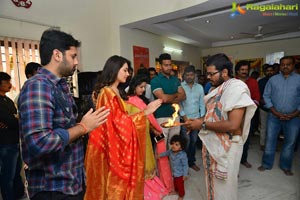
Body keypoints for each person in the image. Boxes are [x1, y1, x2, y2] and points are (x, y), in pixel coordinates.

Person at [18, 29, 110, 199]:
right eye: (73, 56)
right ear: (57, 55)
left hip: (70, 183)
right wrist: (83, 127)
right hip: (52, 188)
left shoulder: (60, 86)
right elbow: (40, 142)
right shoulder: (38, 86)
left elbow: (66, 130)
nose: (77, 62)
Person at [84, 55, 162, 200]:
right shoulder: (107, 93)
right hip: (111, 149)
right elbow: (115, 124)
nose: (128, 74)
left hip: (118, 145)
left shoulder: (115, 92)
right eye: (125, 70)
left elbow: (120, 120)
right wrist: (145, 113)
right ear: (114, 70)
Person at [185, 53, 256, 200]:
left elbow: (233, 124)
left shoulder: (236, 88)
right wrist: (195, 123)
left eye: (212, 74)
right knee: (213, 184)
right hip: (212, 144)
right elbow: (211, 116)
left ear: (224, 72)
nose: (208, 77)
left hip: (229, 146)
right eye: (207, 74)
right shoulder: (214, 90)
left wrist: (202, 125)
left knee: (225, 189)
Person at [127, 74, 169, 199]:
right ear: (133, 86)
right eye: (141, 87)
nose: (143, 90)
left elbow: (147, 118)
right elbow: (128, 121)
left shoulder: (143, 100)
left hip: (145, 136)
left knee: (147, 160)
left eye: (144, 87)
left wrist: (153, 129)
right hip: (133, 138)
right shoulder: (127, 102)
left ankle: (149, 187)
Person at [258, 56, 300, 176]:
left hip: (294, 117)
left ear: (293, 65)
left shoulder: (298, 79)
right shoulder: (273, 80)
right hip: (274, 116)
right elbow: (266, 96)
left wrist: (295, 113)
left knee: (290, 142)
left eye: (288, 64)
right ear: (280, 66)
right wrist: (274, 111)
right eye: (282, 64)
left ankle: (285, 166)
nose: (285, 66)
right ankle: (266, 164)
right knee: (270, 140)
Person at [150, 53, 186, 148]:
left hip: (175, 116)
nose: (169, 67)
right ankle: (160, 164)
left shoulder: (175, 79)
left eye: (170, 64)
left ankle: (172, 163)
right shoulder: (155, 80)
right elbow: (163, 98)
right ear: (160, 66)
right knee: (161, 146)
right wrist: (176, 95)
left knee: (175, 146)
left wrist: (170, 97)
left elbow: (183, 96)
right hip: (161, 117)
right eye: (166, 65)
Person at [179, 65, 205, 171]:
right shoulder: (180, 87)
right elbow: (179, 104)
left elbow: (202, 103)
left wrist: (201, 118)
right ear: (184, 76)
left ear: (195, 75)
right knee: (186, 141)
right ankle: (183, 163)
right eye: (187, 75)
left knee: (194, 141)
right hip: (185, 120)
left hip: (196, 120)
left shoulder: (200, 87)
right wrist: (185, 118)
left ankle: (191, 161)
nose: (189, 77)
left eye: (191, 75)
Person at [235, 60, 260, 168]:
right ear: (237, 71)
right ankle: (234, 163)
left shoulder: (253, 82)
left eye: (246, 70)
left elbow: (257, 97)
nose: (245, 72)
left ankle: (243, 159)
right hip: (234, 115)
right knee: (234, 139)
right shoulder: (232, 82)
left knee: (245, 138)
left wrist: (248, 105)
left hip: (248, 115)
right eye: (242, 70)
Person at [0, 72, 20, 200]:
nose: (9, 84)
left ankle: (18, 195)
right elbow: (12, 121)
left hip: (14, 140)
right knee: (7, 175)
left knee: (16, 173)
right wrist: (14, 119)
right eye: (6, 82)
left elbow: (16, 119)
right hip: (5, 142)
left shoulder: (8, 100)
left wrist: (14, 119)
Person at [158, 135, 188, 200]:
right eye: (172, 143)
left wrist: (185, 174)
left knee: (180, 186)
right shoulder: (170, 151)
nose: (173, 146)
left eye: (176, 144)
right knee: (175, 183)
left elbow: (185, 165)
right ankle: (176, 191)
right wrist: (159, 155)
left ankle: (181, 195)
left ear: (181, 147)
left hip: (180, 174)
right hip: (174, 173)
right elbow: (166, 153)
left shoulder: (183, 155)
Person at [258, 64, 275, 150]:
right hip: (264, 108)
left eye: (271, 70)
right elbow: (259, 94)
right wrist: (262, 100)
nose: (269, 72)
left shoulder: (277, 80)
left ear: (273, 71)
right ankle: (262, 144)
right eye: (267, 71)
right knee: (264, 127)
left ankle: (271, 145)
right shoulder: (261, 81)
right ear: (264, 72)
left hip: (275, 109)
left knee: (273, 128)